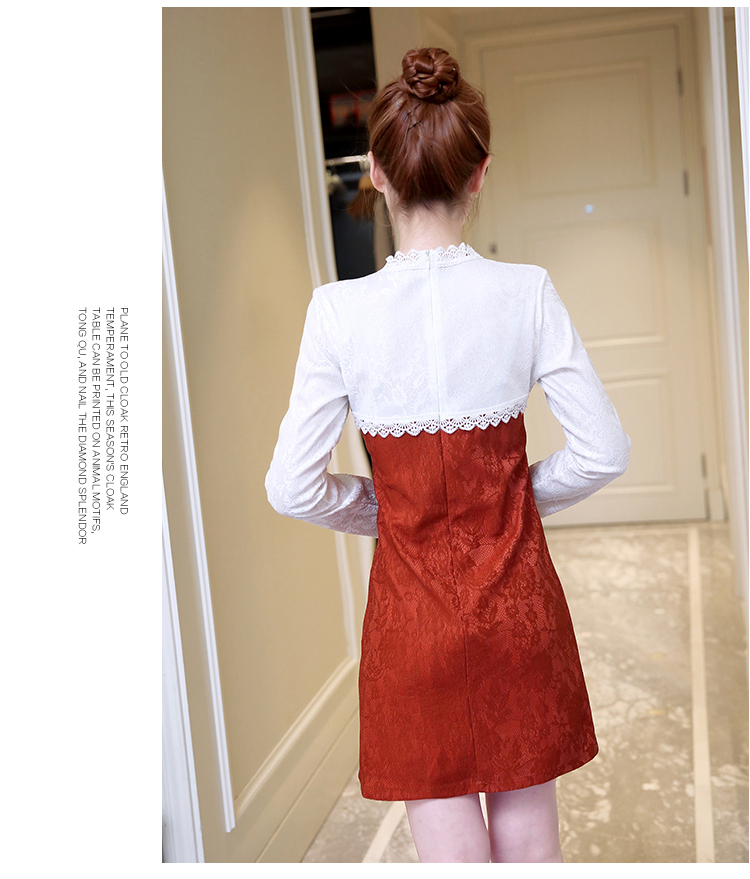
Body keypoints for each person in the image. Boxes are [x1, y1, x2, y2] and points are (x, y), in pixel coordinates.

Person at [266, 47, 631, 863]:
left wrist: (386, 509)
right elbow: (604, 450)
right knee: (531, 846)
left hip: (411, 625)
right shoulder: (526, 292)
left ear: (376, 174)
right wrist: (514, 497)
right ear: (479, 174)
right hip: (519, 611)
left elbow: (291, 487)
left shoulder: (337, 313)